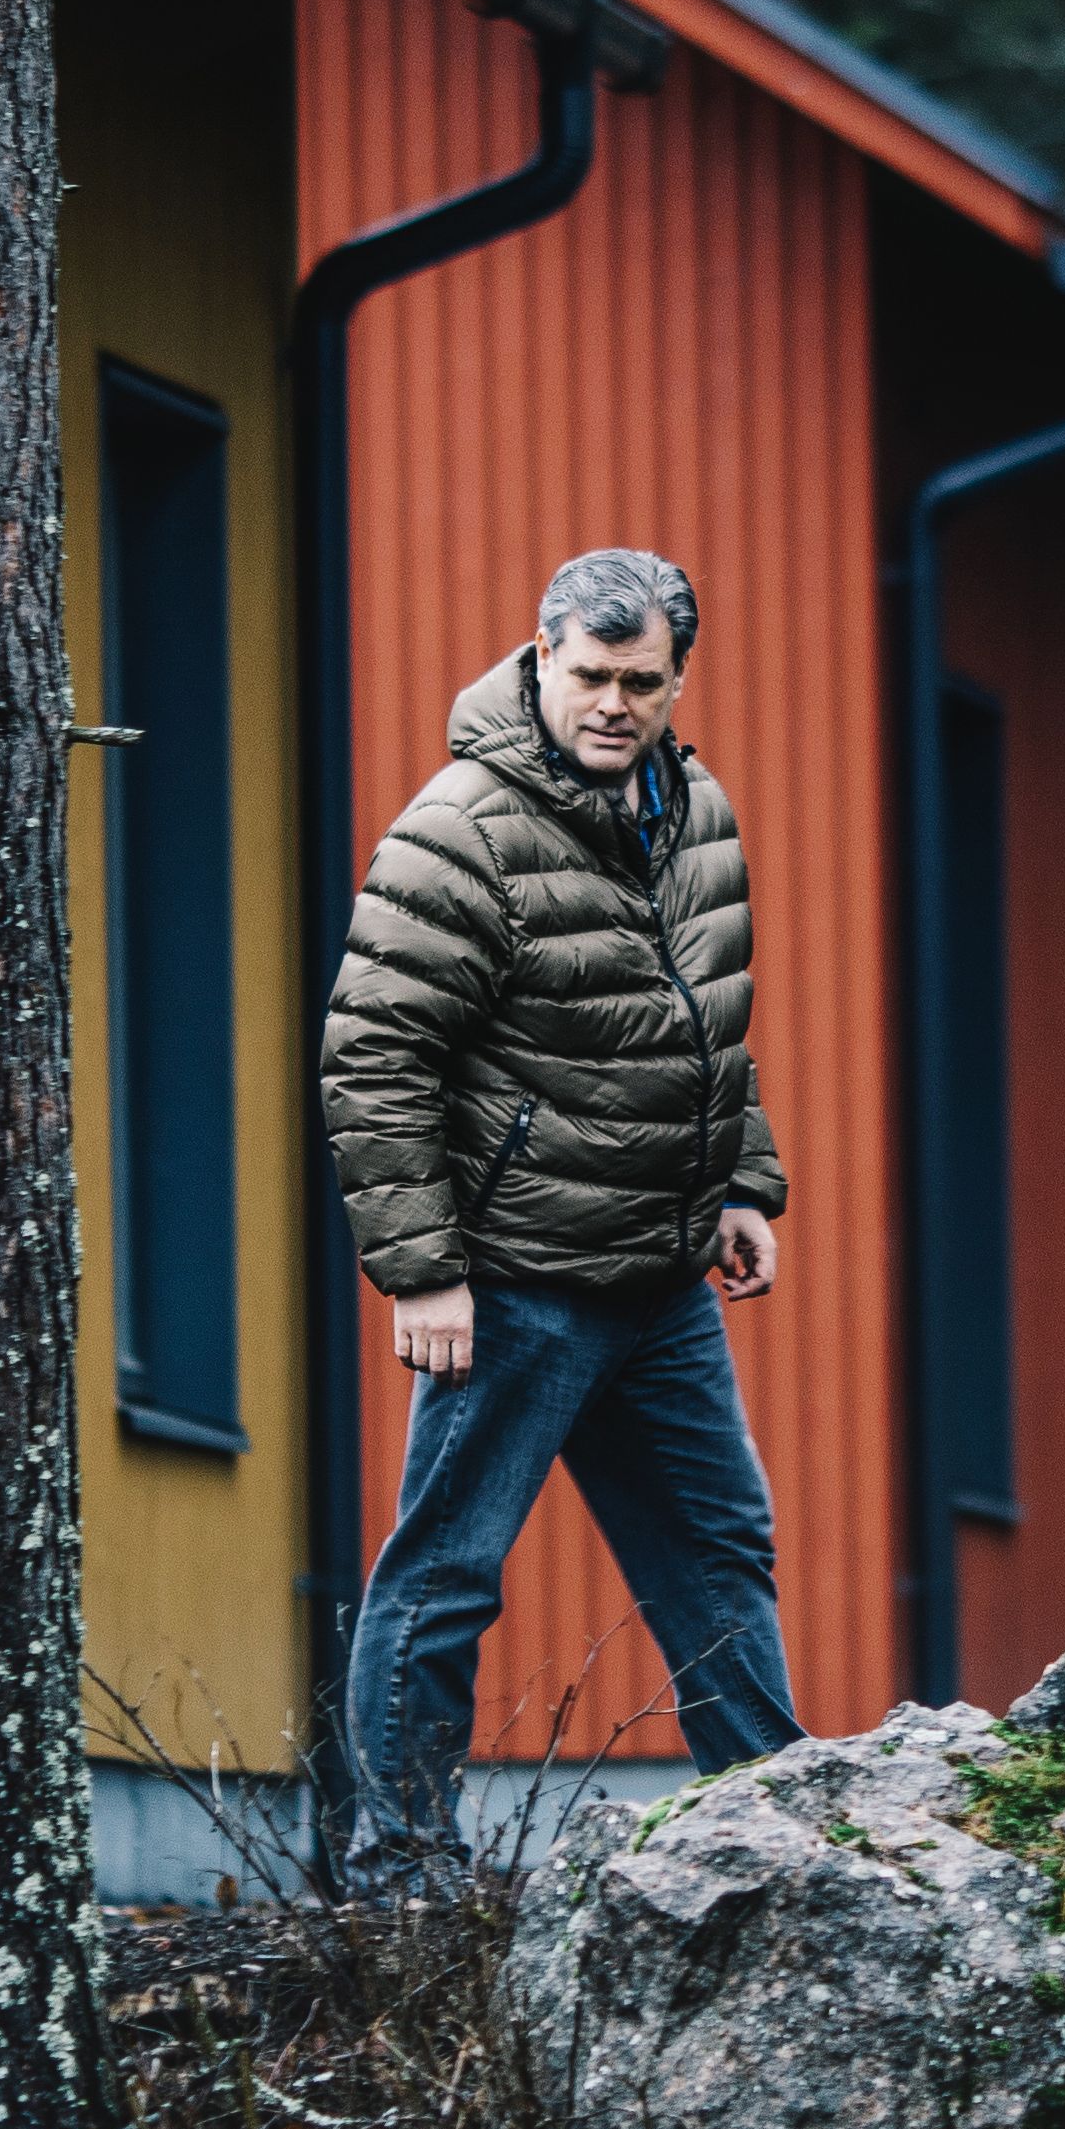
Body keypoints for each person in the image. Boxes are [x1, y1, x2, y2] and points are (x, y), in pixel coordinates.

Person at [318, 546, 800, 1894]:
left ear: (675, 680)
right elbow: (372, 1052)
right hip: (515, 1283)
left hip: (658, 1285)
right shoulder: (463, 826)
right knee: (448, 1571)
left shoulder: (690, 806)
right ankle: (402, 1871)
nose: (612, 704)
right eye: (589, 675)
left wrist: (744, 1183)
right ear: (541, 656)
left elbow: (702, 1029)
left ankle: (772, 1822)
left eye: (640, 681)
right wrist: (423, 1272)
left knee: (720, 1552)